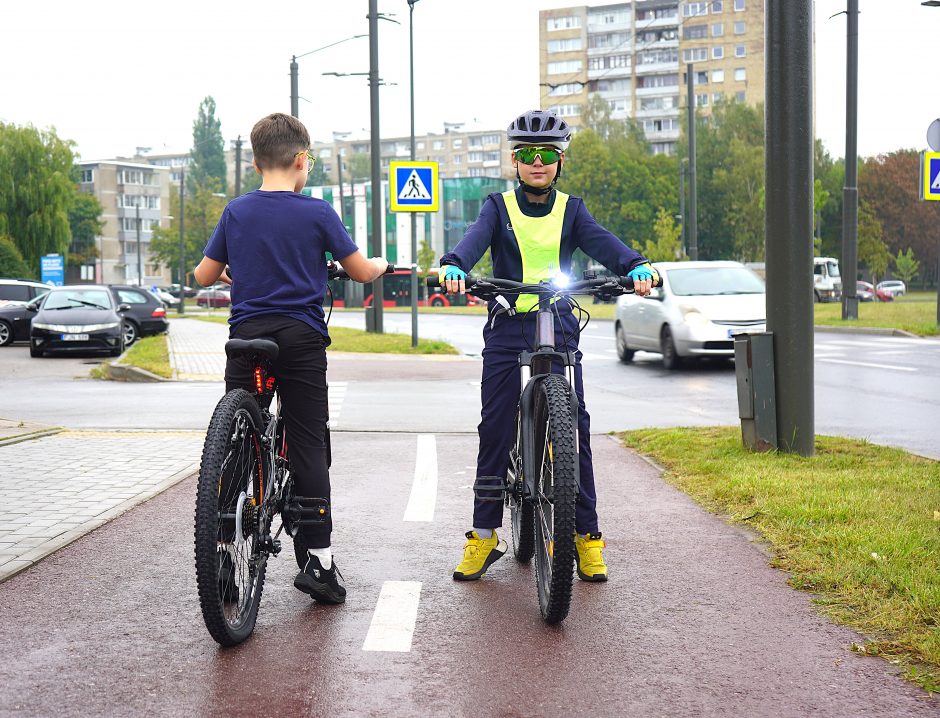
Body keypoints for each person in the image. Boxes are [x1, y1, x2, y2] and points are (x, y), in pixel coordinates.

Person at [438, 109, 657, 583]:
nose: (538, 163)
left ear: (559, 161)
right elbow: (474, 242)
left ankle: (587, 537)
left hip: (556, 320)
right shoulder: (497, 207)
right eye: (528, 155)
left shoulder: (572, 210)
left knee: (573, 425)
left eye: (548, 155)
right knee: (494, 424)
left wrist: (636, 264)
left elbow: (603, 243)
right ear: (515, 161)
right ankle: (483, 534)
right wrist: (454, 264)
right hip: (507, 322)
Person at [194, 112, 389, 605]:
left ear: (256, 162)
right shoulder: (317, 213)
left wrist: (233, 277)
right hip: (300, 340)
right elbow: (361, 272)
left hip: (247, 340)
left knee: (239, 441)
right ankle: (318, 563)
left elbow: (202, 275)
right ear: (302, 161)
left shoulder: (236, 212)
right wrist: (382, 264)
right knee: (306, 440)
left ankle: (221, 552)